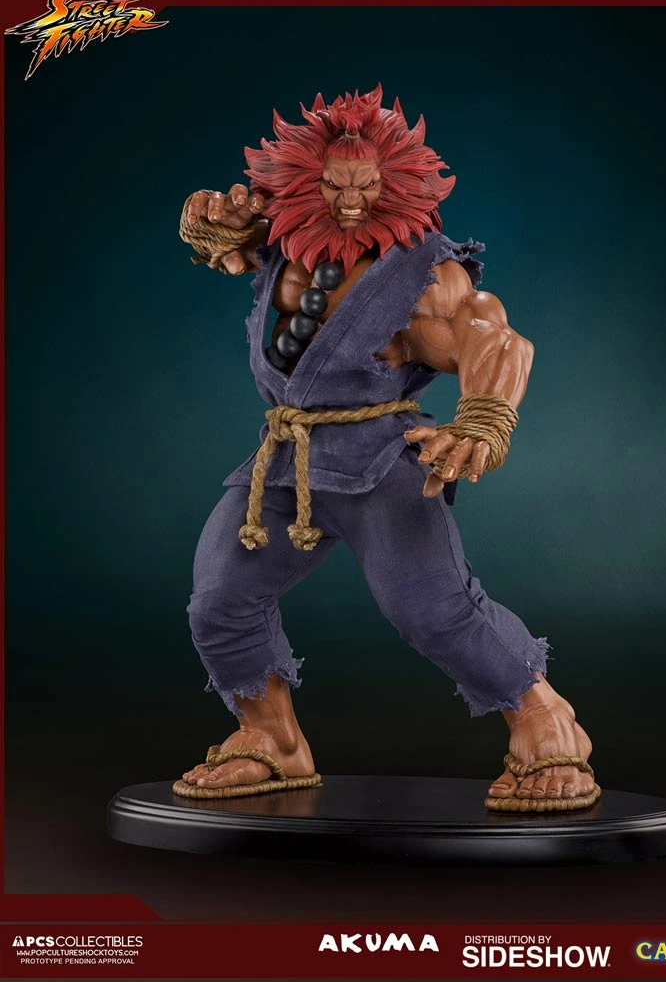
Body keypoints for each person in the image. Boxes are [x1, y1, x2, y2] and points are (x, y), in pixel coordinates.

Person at [174, 86, 598, 812]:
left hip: (381, 463)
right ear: (306, 182)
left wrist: (481, 421)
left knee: (434, 610)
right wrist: (208, 218)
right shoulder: (287, 243)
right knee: (220, 599)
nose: (348, 203)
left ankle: (546, 719)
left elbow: (492, 334)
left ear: (394, 183)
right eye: (333, 187)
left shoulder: (425, 275)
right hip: (287, 461)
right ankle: (270, 738)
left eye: (365, 187)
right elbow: (221, 236)